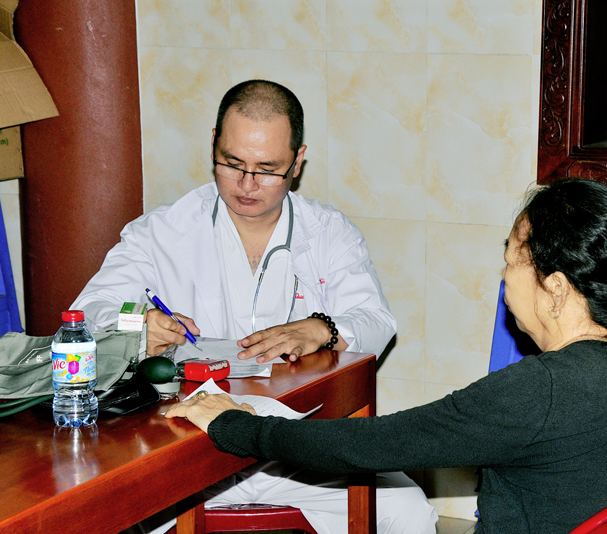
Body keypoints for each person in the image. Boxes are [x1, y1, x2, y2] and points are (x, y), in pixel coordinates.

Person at [166, 179, 607, 534]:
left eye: (510, 261)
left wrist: (237, 425)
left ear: (555, 288)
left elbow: (370, 446)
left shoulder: (543, 390)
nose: (504, 278)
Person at [72, 80, 435, 534]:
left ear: (297, 161)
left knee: (409, 512)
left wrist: (322, 328)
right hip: (184, 445)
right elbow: (87, 314)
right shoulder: (161, 232)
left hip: (297, 446)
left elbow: (377, 322)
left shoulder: (329, 233)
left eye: (268, 169)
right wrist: (139, 324)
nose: (247, 184)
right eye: (232, 163)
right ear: (213, 144)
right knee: (104, 514)